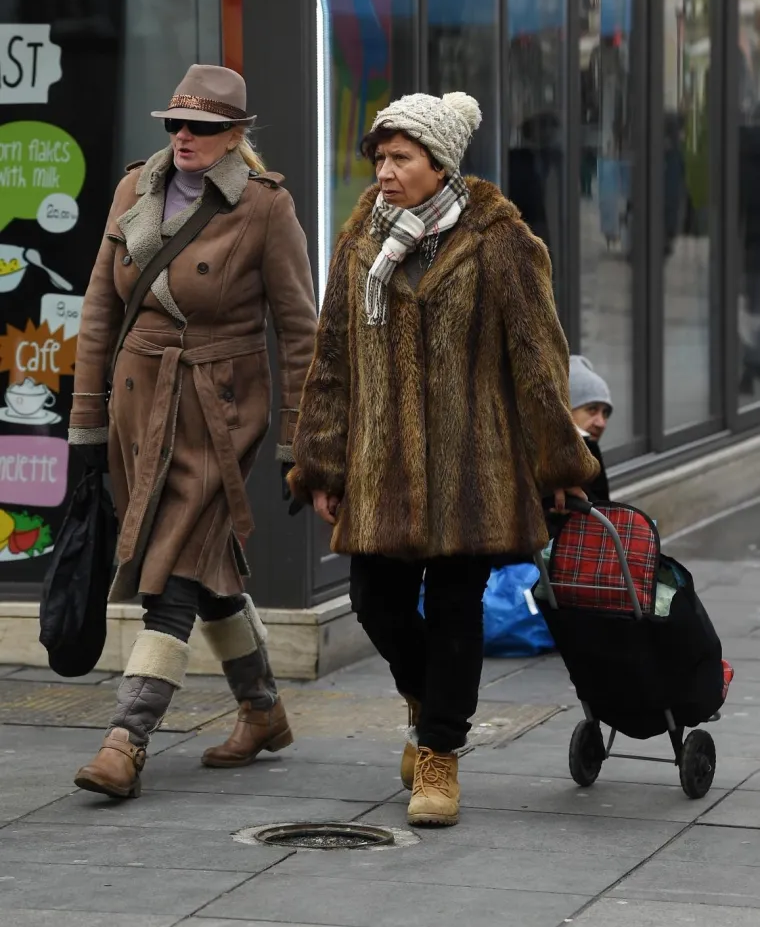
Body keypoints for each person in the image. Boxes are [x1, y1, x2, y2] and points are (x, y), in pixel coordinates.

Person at [287, 91, 599, 827]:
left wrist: (558, 465)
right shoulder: (361, 239)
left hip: (472, 469)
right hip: (382, 469)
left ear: (440, 163)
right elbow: (332, 361)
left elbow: (538, 360)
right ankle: (428, 699)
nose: (385, 172)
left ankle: (439, 755)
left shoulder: (500, 241)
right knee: (376, 601)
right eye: (380, 158)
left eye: (401, 158)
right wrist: (322, 464)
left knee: (458, 608)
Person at [68, 64, 317, 799]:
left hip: (220, 411)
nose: (184, 136)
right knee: (206, 566)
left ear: (235, 136)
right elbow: (98, 309)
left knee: (172, 569)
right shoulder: (134, 190)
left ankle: (126, 737)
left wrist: (298, 442)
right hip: (139, 406)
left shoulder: (266, 207)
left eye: (202, 128)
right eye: (176, 123)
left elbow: (299, 331)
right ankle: (262, 709)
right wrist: (86, 421)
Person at [569, 355, 613, 502]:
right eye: (592, 409)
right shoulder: (546, 467)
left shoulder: (591, 451)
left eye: (605, 413)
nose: (601, 423)